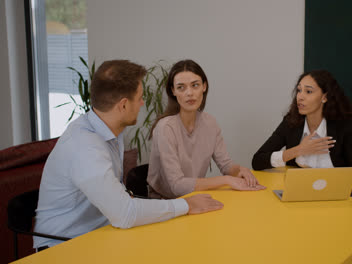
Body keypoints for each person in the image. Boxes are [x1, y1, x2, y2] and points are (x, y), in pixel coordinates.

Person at [34, 60, 223, 251]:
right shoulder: (85, 147)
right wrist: (185, 205)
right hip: (62, 247)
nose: (142, 103)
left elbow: (120, 205)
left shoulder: (109, 131)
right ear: (123, 105)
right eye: (140, 98)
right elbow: (124, 213)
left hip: (101, 232)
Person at [147, 59, 265, 199]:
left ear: (204, 86)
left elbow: (226, 165)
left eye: (195, 85)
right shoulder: (165, 128)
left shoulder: (210, 123)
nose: (189, 93)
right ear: (173, 91)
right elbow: (177, 186)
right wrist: (227, 180)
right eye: (181, 87)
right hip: (165, 202)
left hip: (195, 197)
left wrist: (239, 171)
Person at [251, 70, 352, 182]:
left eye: (308, 91)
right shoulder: (290, 122)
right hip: (297, 190)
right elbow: (257, 161)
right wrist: (298, 150)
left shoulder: (345, 125)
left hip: (335, 193)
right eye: (299, 90)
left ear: (325, 97)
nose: (300, 97)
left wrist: (335, 184)